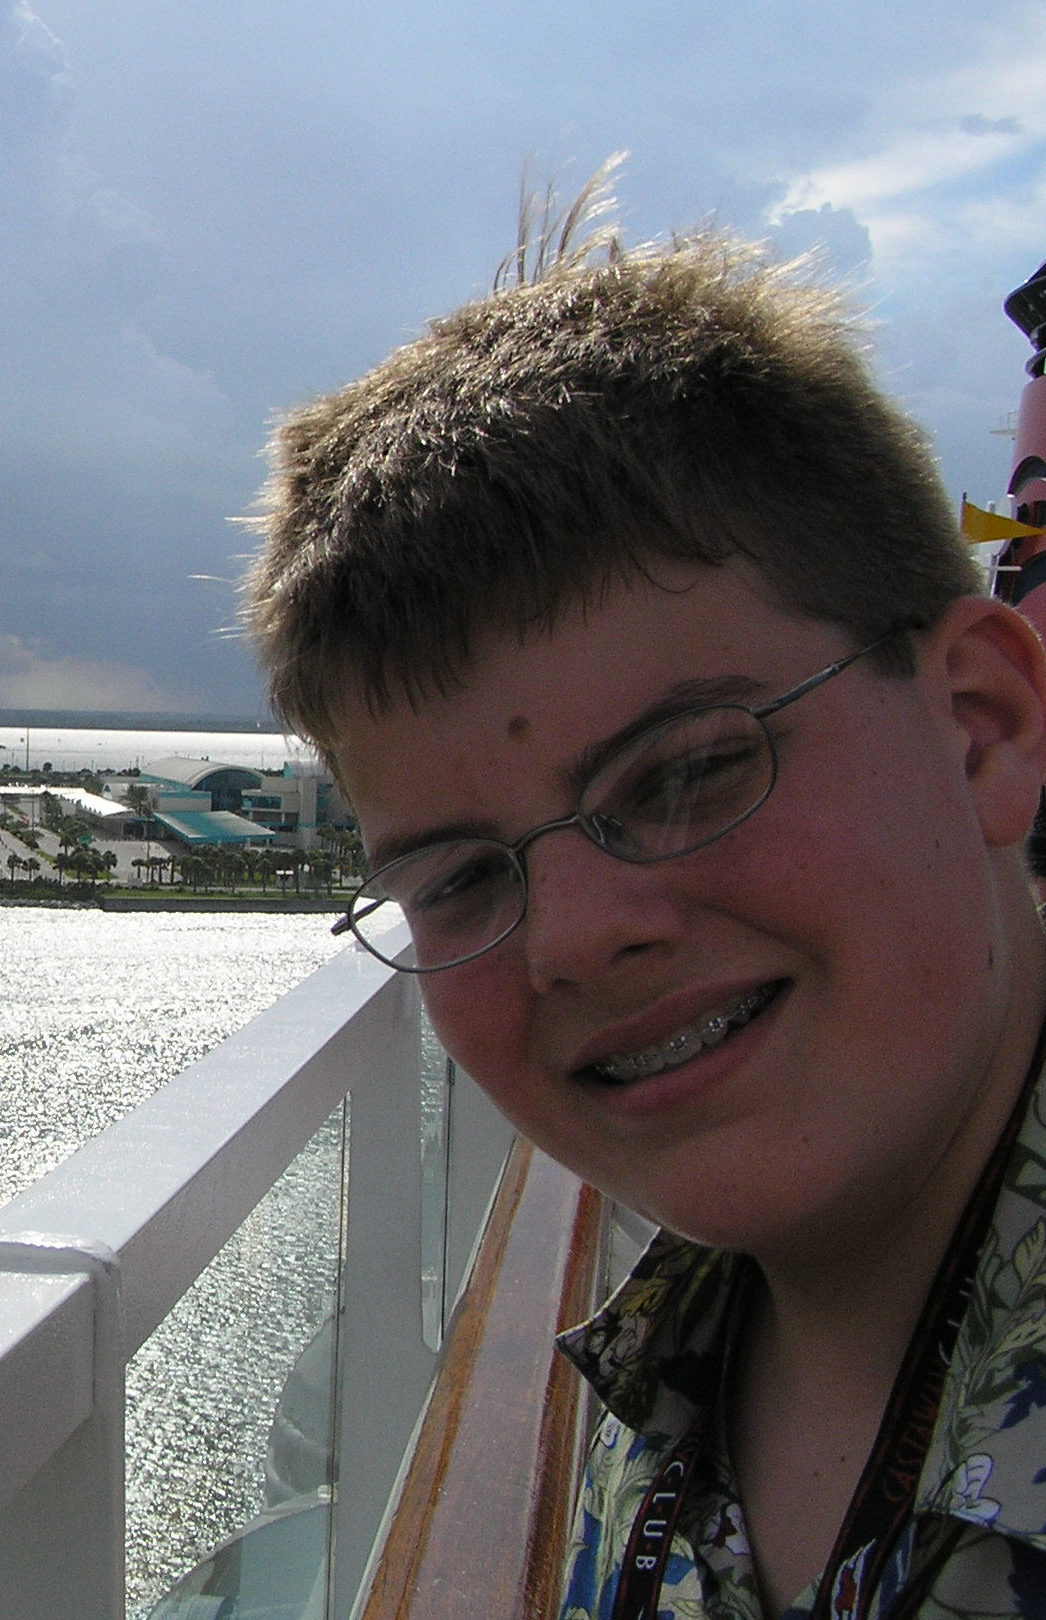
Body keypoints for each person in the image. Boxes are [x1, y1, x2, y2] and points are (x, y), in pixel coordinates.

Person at [243, 182, 1046, 1619]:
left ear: (980, 727)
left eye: (683, 775)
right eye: (463, 876)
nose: (575, 937)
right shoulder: (678, 1369)